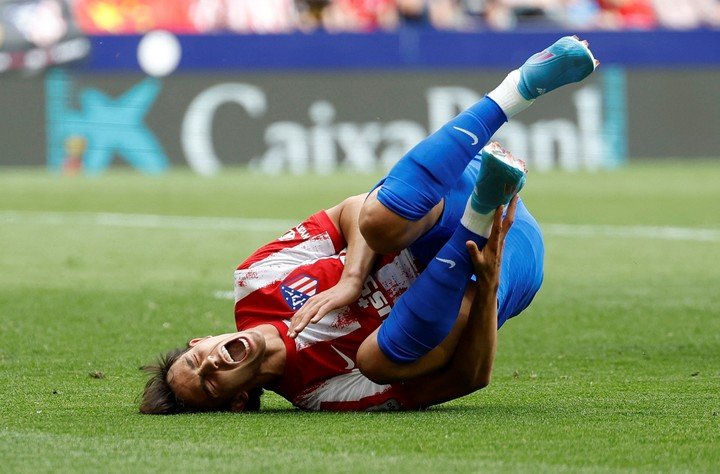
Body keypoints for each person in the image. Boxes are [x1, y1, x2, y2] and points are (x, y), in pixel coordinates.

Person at [140, 36, 598, 413]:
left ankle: (517, 88)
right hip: (497, 266)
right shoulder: (320, 394)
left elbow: (351, 208)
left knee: (376, 222)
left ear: (202, 340)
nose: (211, 364)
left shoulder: (255, 282)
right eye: (210, 383)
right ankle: (482, 223)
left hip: (444, 203)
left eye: (197, 358)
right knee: (379, 360)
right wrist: (488, 281)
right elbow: (465, 377)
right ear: (239, 399)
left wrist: (351, 279)